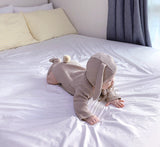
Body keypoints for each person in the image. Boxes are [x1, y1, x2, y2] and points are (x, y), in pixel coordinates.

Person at [47, 53, 124, 125]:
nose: (112, 81)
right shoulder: (83, 88)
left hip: (75, 69)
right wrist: (87, 115)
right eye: (109, 80)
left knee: (74, 66)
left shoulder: (95, 79)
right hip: (61, 71)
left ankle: (66, 62)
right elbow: (79, 102)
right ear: (98, 81)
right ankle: (56, 63)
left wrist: (112, 97)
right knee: (51, 80)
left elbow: (108, 88)